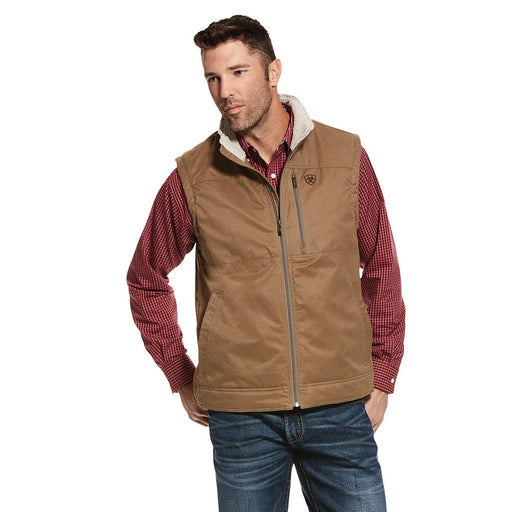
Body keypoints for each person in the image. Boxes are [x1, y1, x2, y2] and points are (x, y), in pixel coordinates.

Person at [127, 14, 405, 512]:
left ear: (273, 71)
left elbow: (381, 266)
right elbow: (146, 277)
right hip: (241, 416)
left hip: (340, 406)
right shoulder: (193, 176)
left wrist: (383, 373)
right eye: (213, 78)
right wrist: (180, 373)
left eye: (238, 72)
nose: (225, 91)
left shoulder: (345, 157)